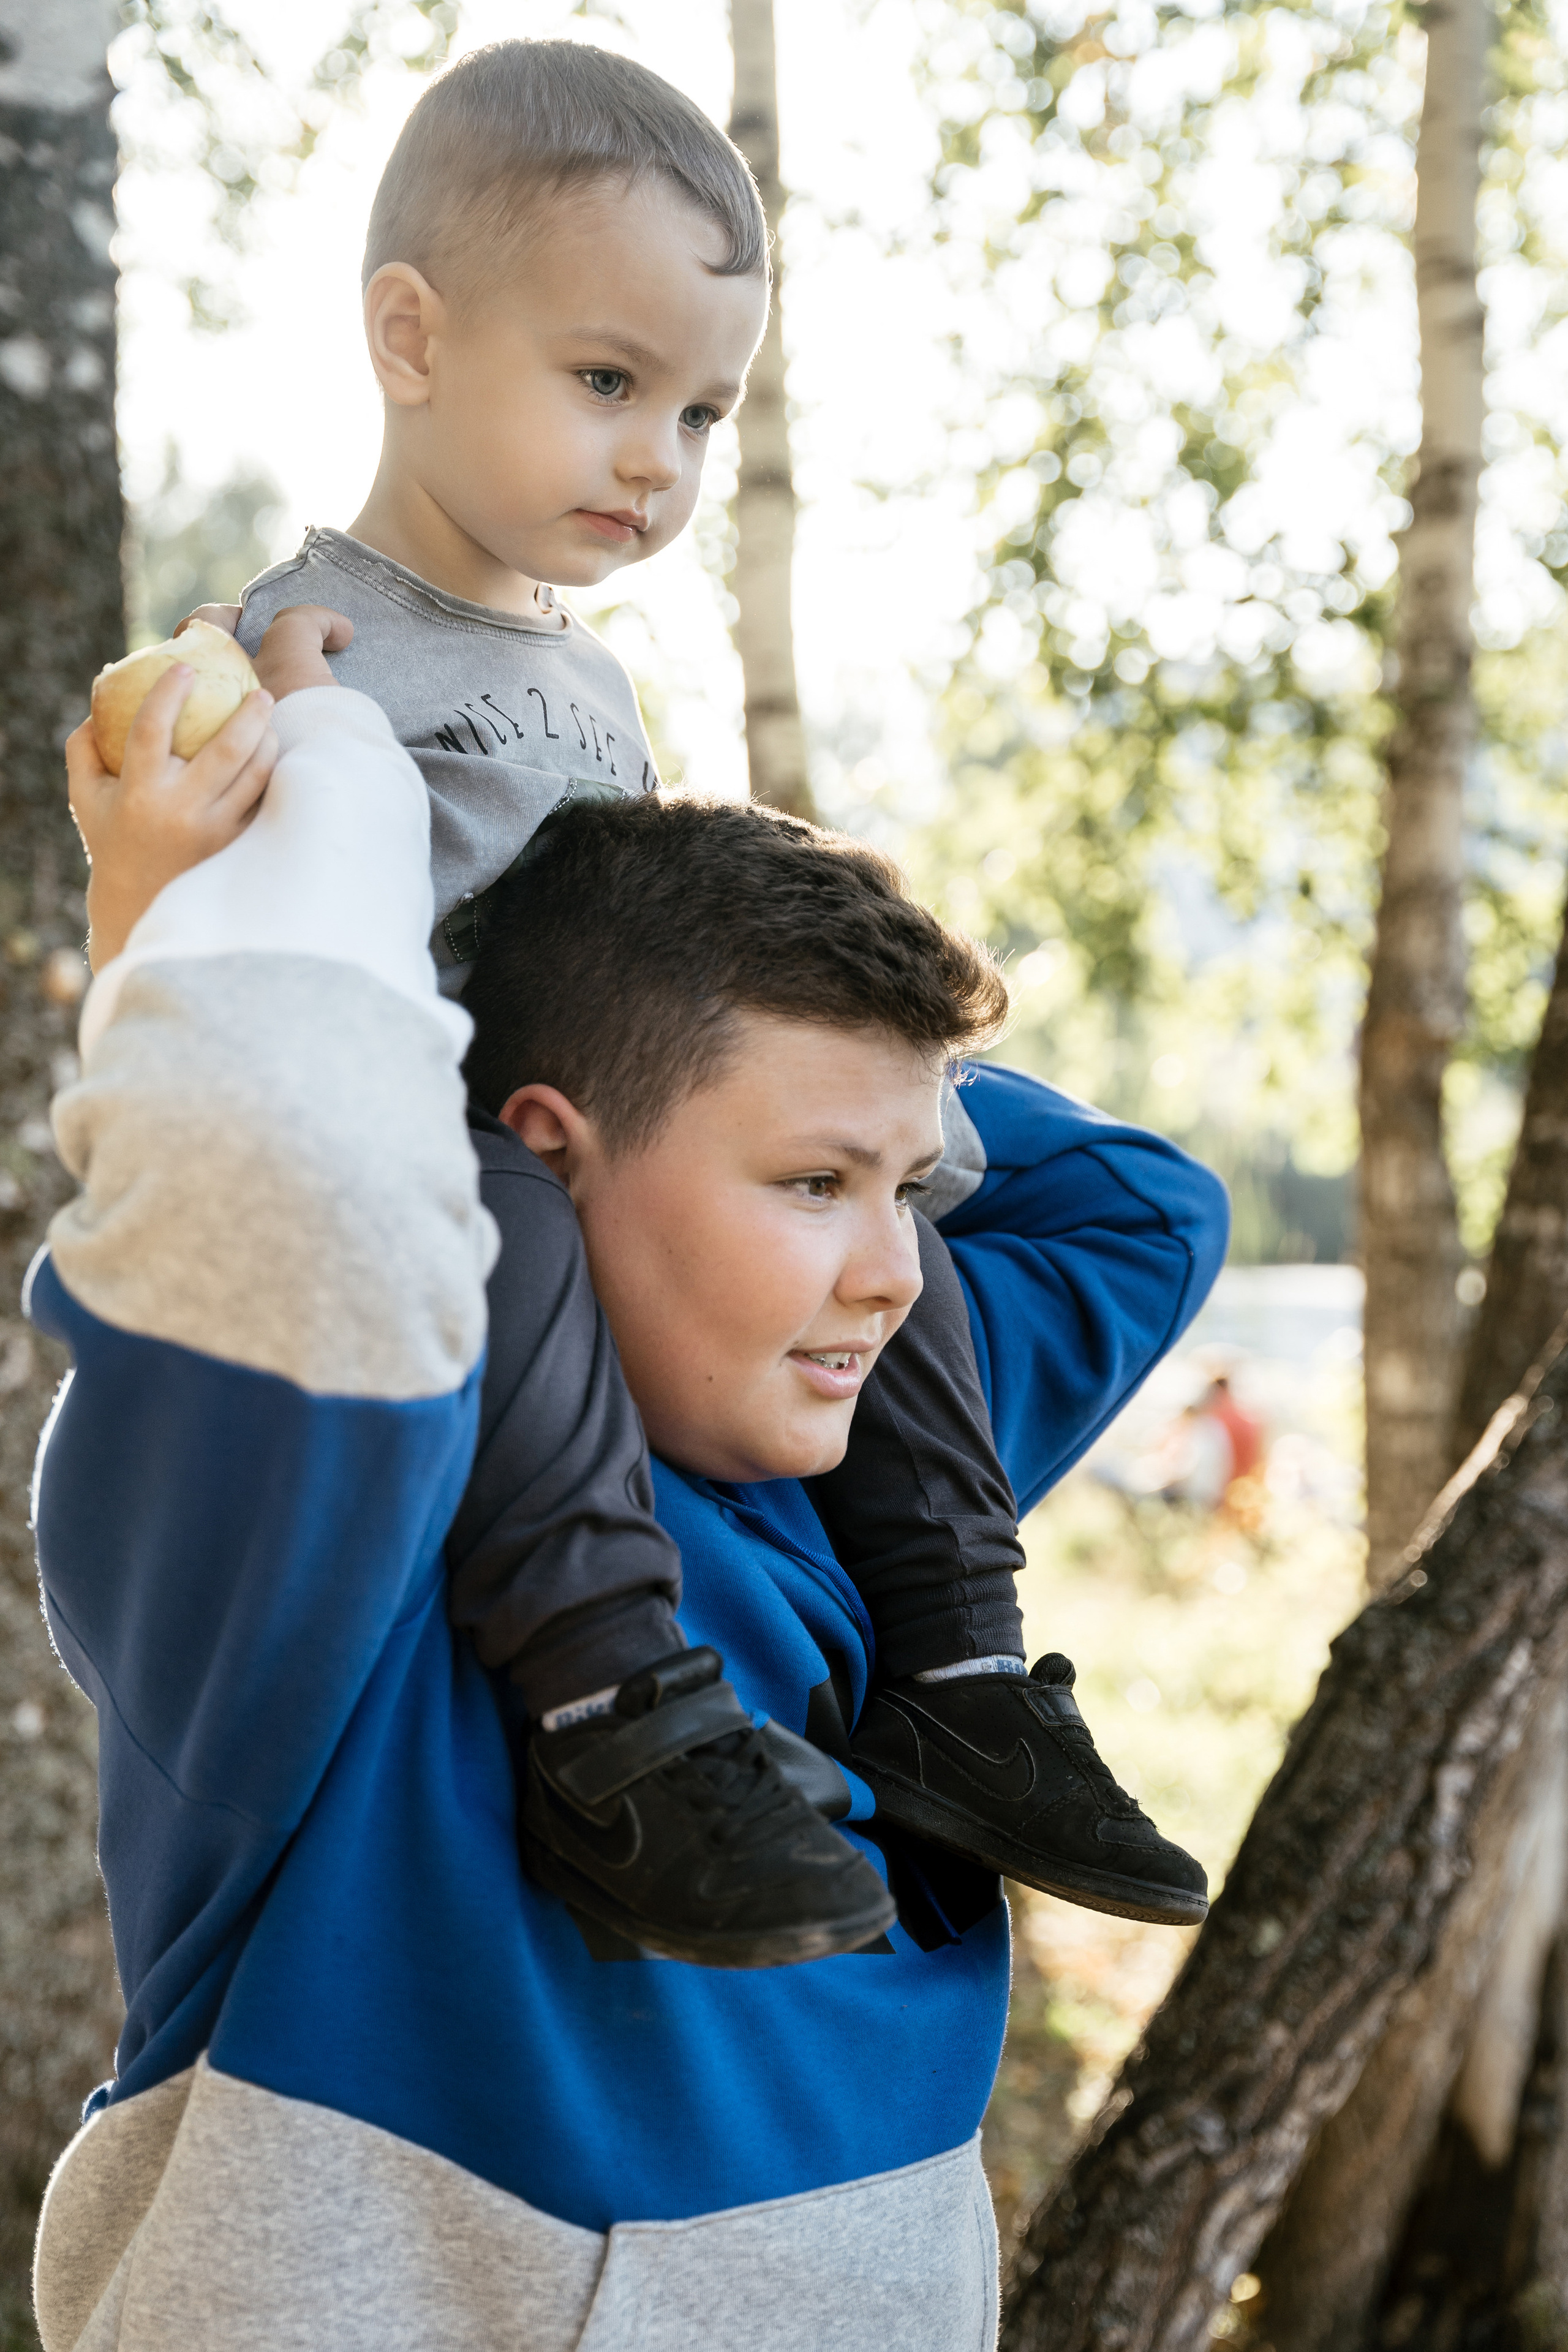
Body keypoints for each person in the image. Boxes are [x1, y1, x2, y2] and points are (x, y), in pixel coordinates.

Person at [130, 35, 1213, 1958]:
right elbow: (201, 983)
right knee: (532, 1216)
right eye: (609, 384)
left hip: (635, 1126)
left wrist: (864, 1128)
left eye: (705, 415)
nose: (659, 460)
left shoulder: (594, 681)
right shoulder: (281, 649)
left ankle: (960, 1675)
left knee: (900, 1227)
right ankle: (616, 1708)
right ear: (411, 336)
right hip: (450, 1185)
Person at [34, 636, 1227, 2350]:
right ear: (536, 1153)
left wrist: (687, 960)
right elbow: (283, 1174)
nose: (897, 1272)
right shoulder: (347, 1526)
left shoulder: (879, 1480)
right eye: (815, 1180)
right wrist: (209, 908)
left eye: (915, 1186)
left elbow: (1144, 1207)